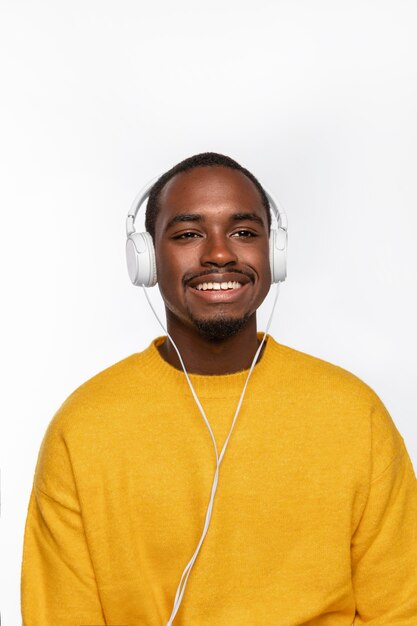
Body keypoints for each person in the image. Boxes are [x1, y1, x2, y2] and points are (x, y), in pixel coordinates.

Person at [21, 152, 417, 625]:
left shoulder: (355, 414)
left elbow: (401, 610)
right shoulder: (83, 428)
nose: (219, 254)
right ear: (145, 259)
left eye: (244, 233)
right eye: (188, 234)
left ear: (275, 253)